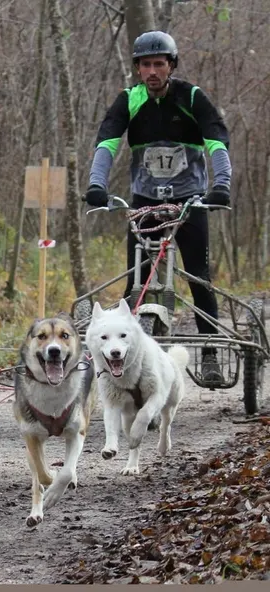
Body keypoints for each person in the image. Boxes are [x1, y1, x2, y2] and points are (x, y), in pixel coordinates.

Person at [85, 30, 232, 384]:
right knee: (135, 281)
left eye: (159, 64)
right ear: (138, 68)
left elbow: (216, 139)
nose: (153, 71)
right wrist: (96, 184)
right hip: (145, 202)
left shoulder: (191, 97)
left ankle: (209, 353)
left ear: (171, 66)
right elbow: (106, 142)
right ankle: (128, 359)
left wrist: (221, 184)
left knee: (199, 278)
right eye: (146, 64)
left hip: (191, 200)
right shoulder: (129, 100)